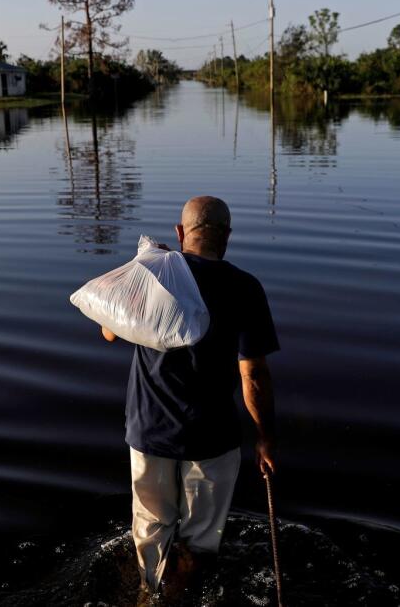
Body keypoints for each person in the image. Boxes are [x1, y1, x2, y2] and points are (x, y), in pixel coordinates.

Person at [99, 195, 280, 600]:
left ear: (181, 233)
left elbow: (109, 331)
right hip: (213, 438)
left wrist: (141, 268)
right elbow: (252, 374)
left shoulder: (155, 276)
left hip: (149, 433)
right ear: (227, 237)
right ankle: (185, 596)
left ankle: (149, 596)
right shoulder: (246, 288)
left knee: (150, 533)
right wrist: (265, 437)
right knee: (200, 542)